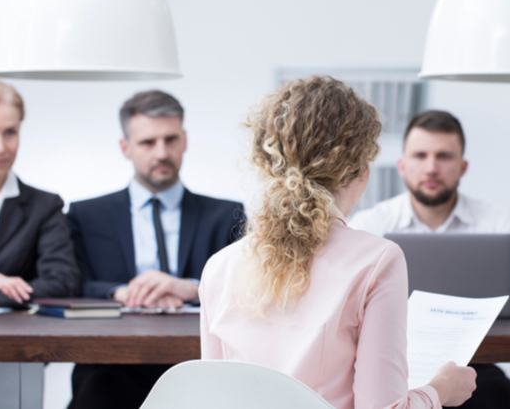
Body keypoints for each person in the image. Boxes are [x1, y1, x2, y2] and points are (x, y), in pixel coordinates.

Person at [200, 76, 477, 409]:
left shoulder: (219, 268)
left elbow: (211, 399)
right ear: (360, 170)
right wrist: (440, 390)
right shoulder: (378, 260)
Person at [349, 110, 510, 409]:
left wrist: (442, 309)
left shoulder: (497, 220)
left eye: (444, 156)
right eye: (420, 155)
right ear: (402, 166)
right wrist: (470, 302)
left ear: (463, 166)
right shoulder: (372, 223)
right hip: (392, 370)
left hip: (475, 369)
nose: (431, 168)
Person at [67, 90, 245, 409]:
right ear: (125, 147)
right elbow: (71, 282)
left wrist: (193, 288)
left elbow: (247, 289)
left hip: (197, 364)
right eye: (148, 143)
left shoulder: (226, 215)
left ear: (185, 140)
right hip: (109, 366)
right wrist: (119, 292)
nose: (161, 152)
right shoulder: (86, 215)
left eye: (170, 139)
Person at [0, 80, 79, 409]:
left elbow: (63, 280)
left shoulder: (43, 206)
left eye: (10, 132)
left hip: (13, 353)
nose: (0, 147)